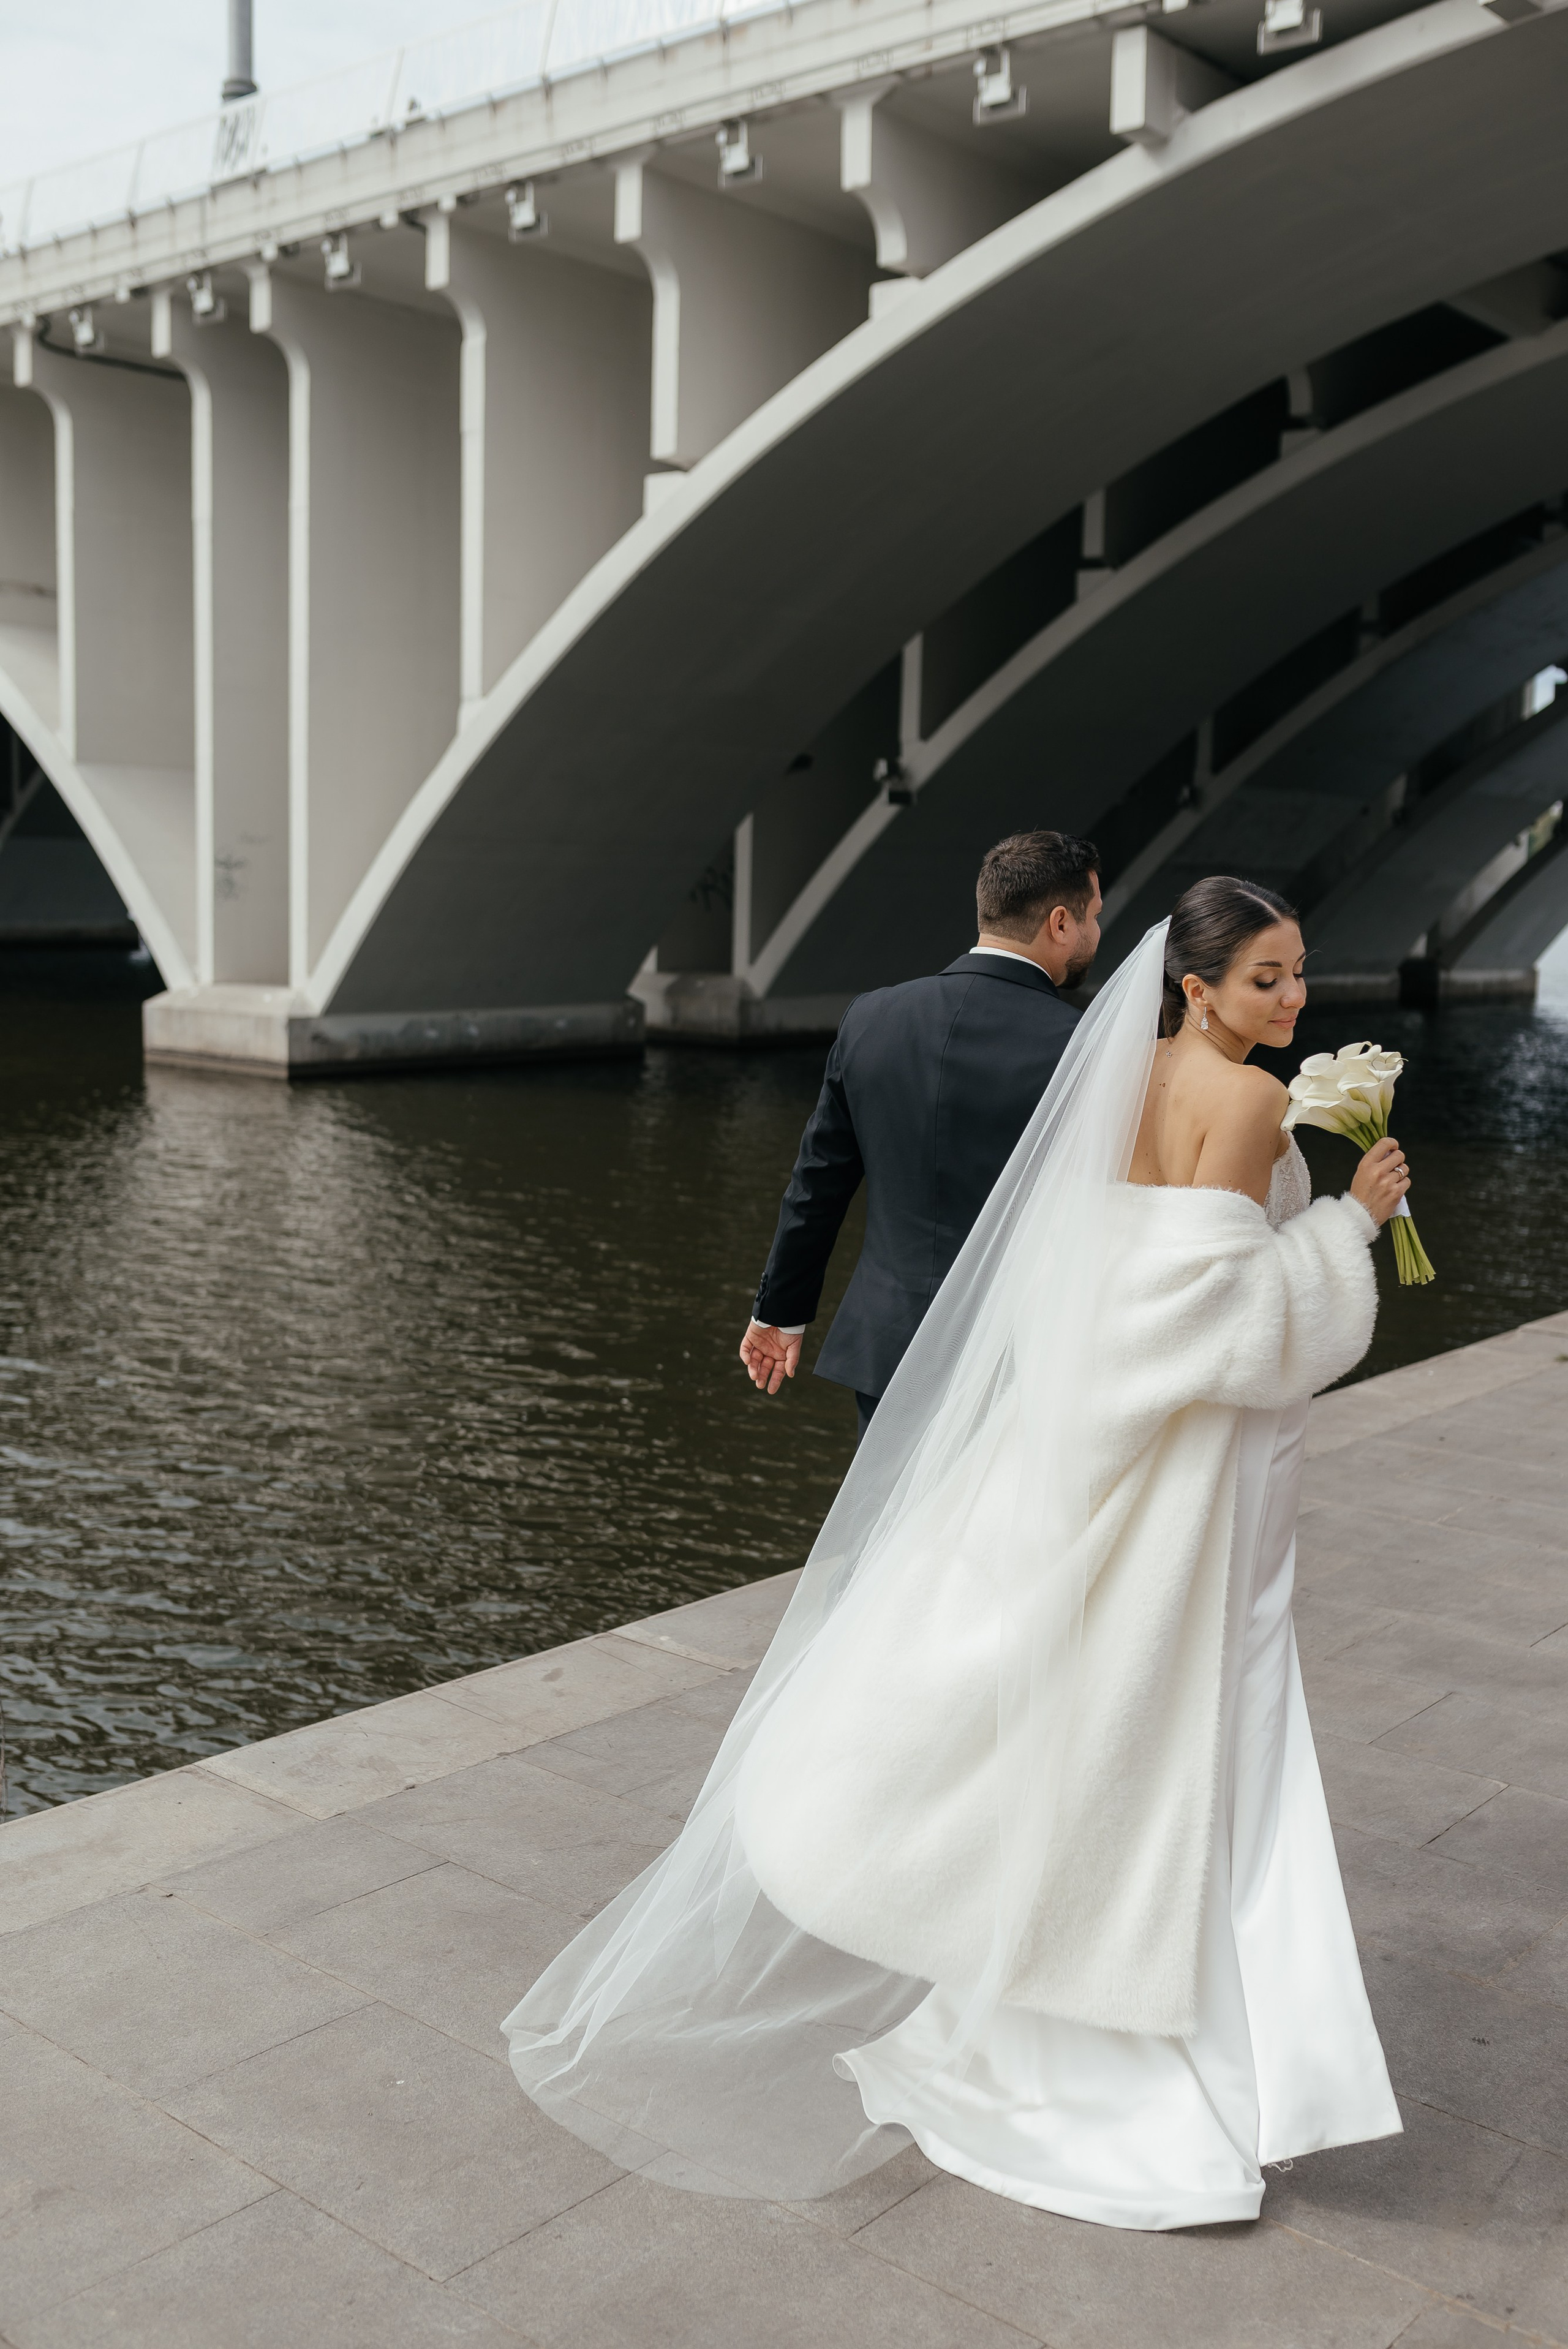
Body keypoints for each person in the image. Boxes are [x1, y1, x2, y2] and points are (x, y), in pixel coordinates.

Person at [503, 877, 1410, 2228]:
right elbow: (1223, 1330)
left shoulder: (1126, 1075)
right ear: (1196, 987)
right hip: (1194, 1475)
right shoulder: (1241, 1103)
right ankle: (1172, 2049)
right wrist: (1348, 1223)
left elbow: (1107, 1289)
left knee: (1096, 1725)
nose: (1292, 1000)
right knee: (1194, 1739)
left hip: (1097, 1434)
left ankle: (1063, 2003)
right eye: (1266, 978)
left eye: (1295, 976)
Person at [740, 829, 1101, 1438]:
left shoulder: (871, 1017)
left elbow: (817, 1187)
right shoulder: (1083, 1044)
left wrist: (781, 1312)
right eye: (1094, 916)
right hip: (1020, 1351)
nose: (1096, 932)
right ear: (1060, 923)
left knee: (892, 1531)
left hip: (887, 1346)